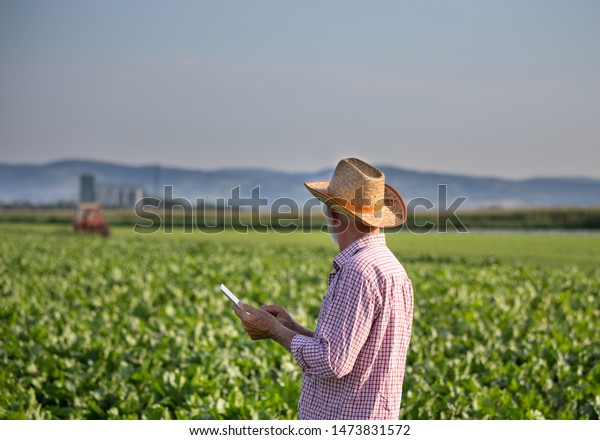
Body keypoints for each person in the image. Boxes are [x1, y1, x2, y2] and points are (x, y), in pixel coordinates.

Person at [233, 157, 414, 420]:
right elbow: (349, 350)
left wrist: (273, 330)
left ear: (333, 214)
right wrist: (290, 327)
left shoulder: (357, 270)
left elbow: (332, 361)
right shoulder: (390, 266)